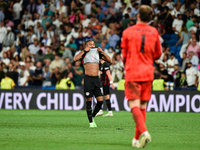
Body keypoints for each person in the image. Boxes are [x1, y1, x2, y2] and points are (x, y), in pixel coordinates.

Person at [121, 5, 162, 148]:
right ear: (150, 18)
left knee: (134, 105)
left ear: (137, 16)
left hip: (133, 71)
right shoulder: (154, 32)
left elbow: (124, 55)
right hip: (147, 72)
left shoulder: (128, 32)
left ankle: (144, 132)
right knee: (142, 106)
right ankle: (135, 139)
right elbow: (158, 54)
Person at [74, 40, 111, 128]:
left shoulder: (98, 53)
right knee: (89, 101)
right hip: (88, 79)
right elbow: (75, 59)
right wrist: (84, 51)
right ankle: (91, 122)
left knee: (100, 101)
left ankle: (92, 116)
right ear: (86, 45)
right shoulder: (84, 53)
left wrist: (102, 51)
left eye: (93, 44)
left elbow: (109, 60)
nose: (92, 45)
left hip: (96, 79)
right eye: (90, 44)